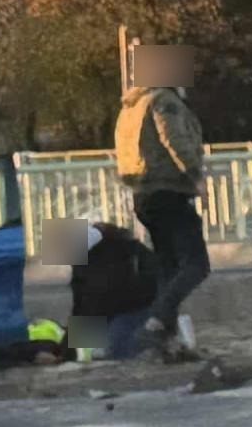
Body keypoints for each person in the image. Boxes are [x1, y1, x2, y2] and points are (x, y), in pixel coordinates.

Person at [115, 82, 210, 359]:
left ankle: (164, 343)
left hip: (143, 194)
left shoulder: (131, 105)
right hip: (167, 189)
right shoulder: (162, 100)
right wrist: (195, 175)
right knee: (196, 264)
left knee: (168, 269)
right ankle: (154, 322)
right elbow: (173, 138)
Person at [68, 222, 159, 360]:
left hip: (134, 310)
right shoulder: (128, 249)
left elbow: (90, 302)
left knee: (116, 353)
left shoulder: (126, 252)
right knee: (98, 354)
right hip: (125, 311)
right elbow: (82, 304)